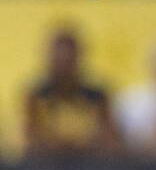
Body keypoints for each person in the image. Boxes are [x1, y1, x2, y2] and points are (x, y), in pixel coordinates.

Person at [25, 28, 121, 157]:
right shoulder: (36, 97)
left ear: (78, 58)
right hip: (48, 168)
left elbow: (110, 138)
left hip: (90, 165)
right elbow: (30, 140)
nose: (64, 65)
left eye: (69, 59)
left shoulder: (97, 97)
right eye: (59, 59)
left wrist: (80, 145)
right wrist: (62, 146)